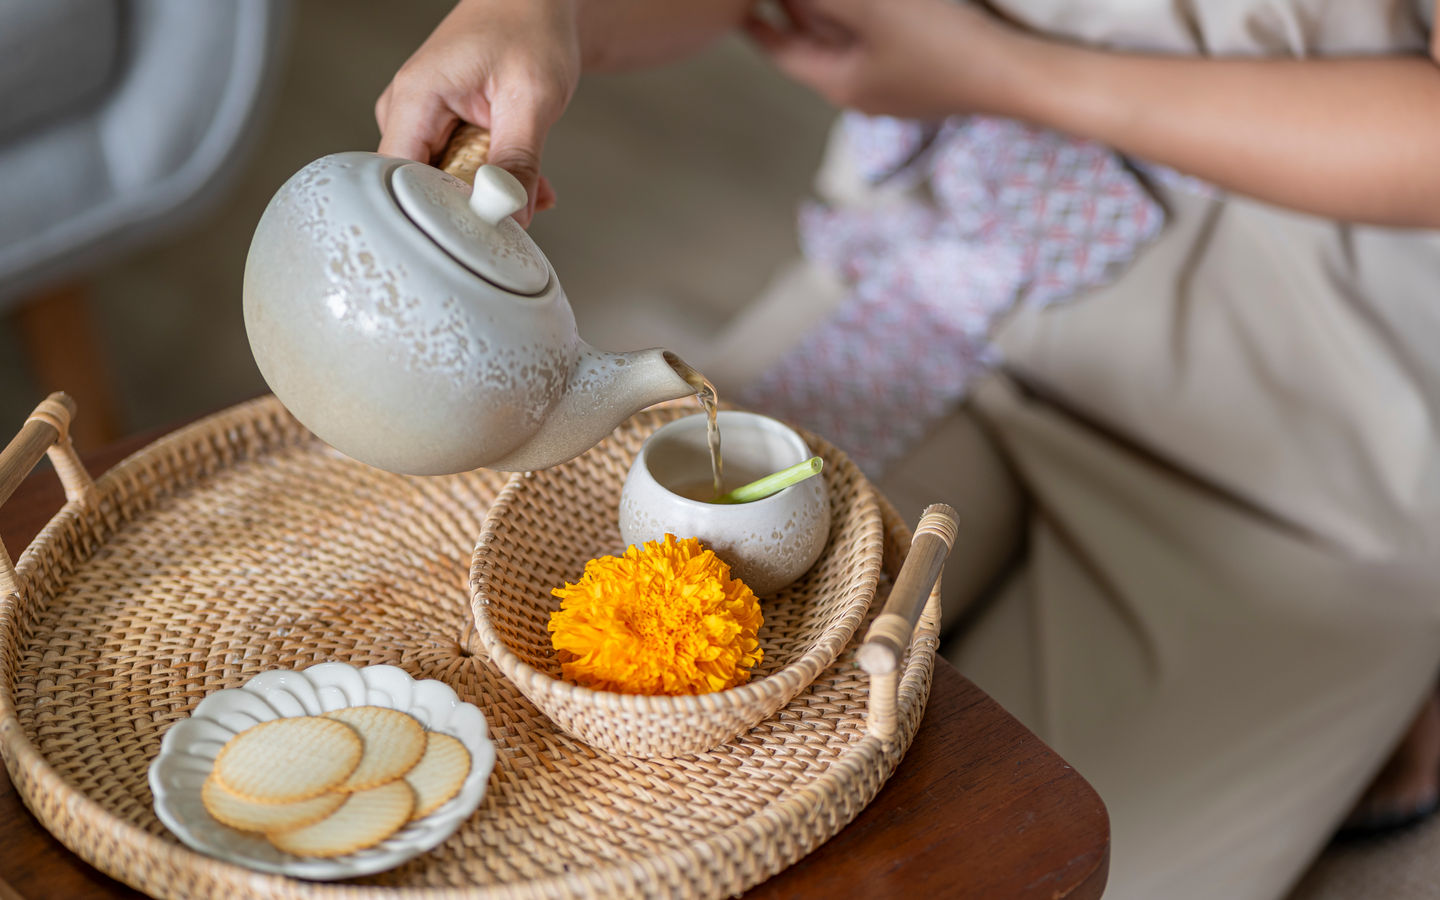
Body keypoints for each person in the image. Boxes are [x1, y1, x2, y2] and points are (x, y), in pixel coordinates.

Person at [376, 1, 1440, 897]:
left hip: (1294, 438)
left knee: (1050, 856)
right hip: (926, 290)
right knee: (594, 756)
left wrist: (996, 72)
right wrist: (545, 16)